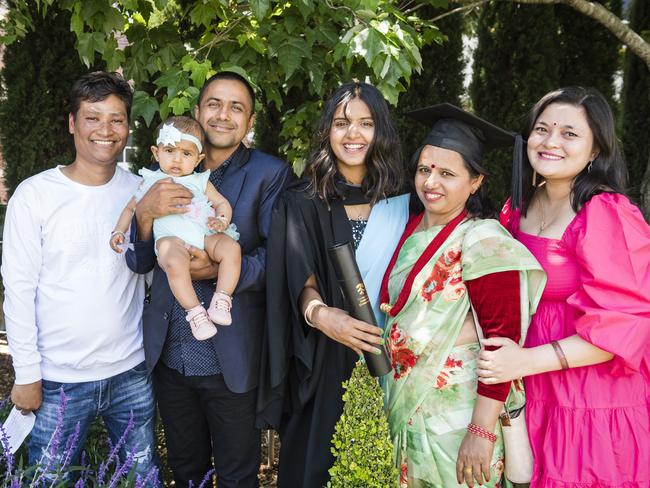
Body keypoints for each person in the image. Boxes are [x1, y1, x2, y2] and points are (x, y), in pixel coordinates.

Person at [127, 71, 293, 488]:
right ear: (198, 111)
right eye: (214, 104)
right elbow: (141, 262)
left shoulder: (269, 174)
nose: (224, 114)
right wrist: (145, 215)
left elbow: (280, 257)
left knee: (237, 477)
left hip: (231, 357)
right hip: (171, 355)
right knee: (185, 473)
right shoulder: (161, 173)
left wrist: (218, 271)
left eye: (237, 107)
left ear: (250, 121)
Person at [478, 86, 650, 488]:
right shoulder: (518, 206)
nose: (550, 141)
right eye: (542, 129)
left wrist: (524, 362)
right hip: (528, 387)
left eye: (569, 133)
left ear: (595, 151)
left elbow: (623, 328)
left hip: (588, 396)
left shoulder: (606, 214)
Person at [1, 71, 158, 481]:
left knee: (140, 480)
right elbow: (18, 291)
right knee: (47, 480)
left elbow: (152, 276)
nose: (106, 130)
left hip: (131, 373)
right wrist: (27, 374)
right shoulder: (35, 195)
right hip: (57, 381)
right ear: (72, 123)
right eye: (93, 118)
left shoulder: (142, 192)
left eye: (117, 119)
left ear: (128, 126)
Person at [380, 103, 546, 488]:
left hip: (459, 420)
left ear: (475, 182)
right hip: (406, 407)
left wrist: (481, 432)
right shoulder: (408, 228)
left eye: (446, 173)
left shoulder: (484, 240)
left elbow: (502, 344)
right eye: (424, 169)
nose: (430, 182)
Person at [257, 81, 410, 487]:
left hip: (394, 355)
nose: (353, 134)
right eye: (342, 123)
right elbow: (298, 277)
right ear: (327, 129)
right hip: (324, 356)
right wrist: (323, 317)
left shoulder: (403, 199)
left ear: (381, 132)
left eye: (366, 123)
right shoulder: (303, 199)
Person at [111, 116, 241, 339]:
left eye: (186, 154)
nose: (177, 160)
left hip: (204, 234)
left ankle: (222, 298)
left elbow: (222, 203)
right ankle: (195, 312)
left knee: (231, 249)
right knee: (173, 261)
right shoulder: (151, 181)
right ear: (156, 152)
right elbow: (130, 209)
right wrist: (119, 231)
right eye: (170, 151)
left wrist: (221, 219)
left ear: (199, 158)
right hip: (170, 239)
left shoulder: (201, 181)